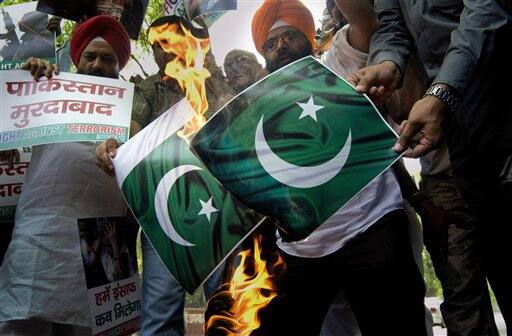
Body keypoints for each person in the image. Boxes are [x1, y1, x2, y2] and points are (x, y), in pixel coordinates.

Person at [250, 1, 427, 335]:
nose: (280, 47)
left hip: (372, 230)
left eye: (289, 36)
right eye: (270, 44)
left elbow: (363, 19)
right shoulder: (255, 110)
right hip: (297, 250)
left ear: (311, 39)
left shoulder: (339, 62)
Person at [348, 0, 512, 329]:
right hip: (463, 138)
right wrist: (386, 65)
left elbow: (487, 12)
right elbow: (392, 28)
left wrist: (440, 93)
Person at [95, 15, 233, 336]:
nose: (164, 49)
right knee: (158, 320)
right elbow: (133, 127)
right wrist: (118, 146)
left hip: (220, 211)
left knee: (228, 311)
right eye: (157, 44)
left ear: (187, 41)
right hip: (164, 215)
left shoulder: (213, 85)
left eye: (171, 39)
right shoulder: (144, 91)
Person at [0, 15, 131, 336]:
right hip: (41, 232)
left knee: (91, 329)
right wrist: (25, 82)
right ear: (77, 59)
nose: (97, 65)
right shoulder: (46, 86)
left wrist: (125, 140)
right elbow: (6, 140)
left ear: (119, 66)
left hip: (104, 237)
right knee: (23, 324)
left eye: (107, 58)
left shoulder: (131, 105)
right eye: (90, 56)